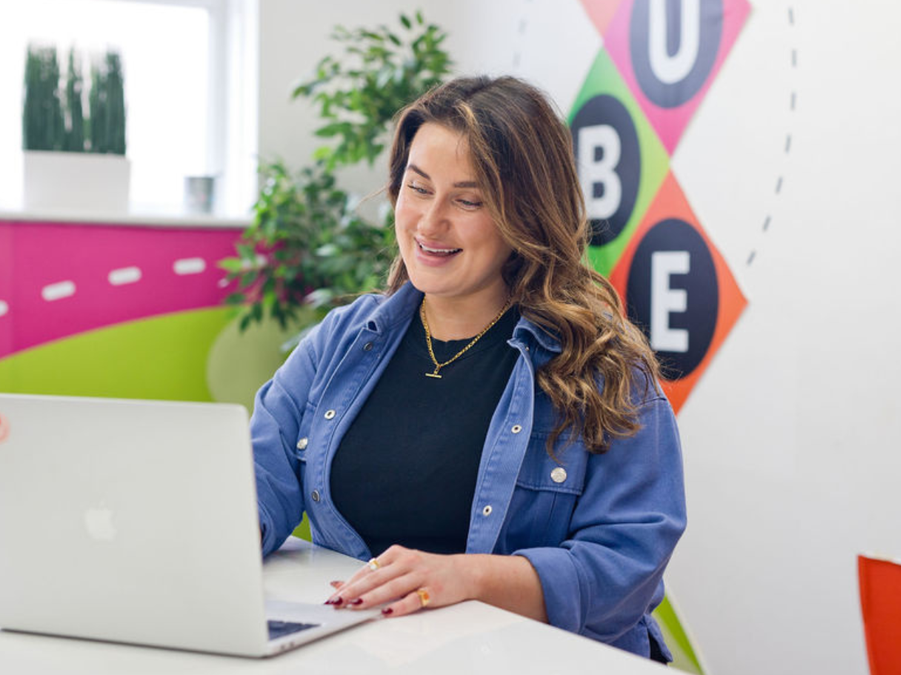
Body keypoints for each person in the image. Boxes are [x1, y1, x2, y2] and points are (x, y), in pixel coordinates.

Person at [251, 75, 686, 662]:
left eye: (468, 200)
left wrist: (469, 579)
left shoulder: (603, 368)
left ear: (525, 215)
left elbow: (626, 563)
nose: (430, 223)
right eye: (417, 188)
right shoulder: (342, 339)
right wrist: (229, 533)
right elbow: (260, 474)